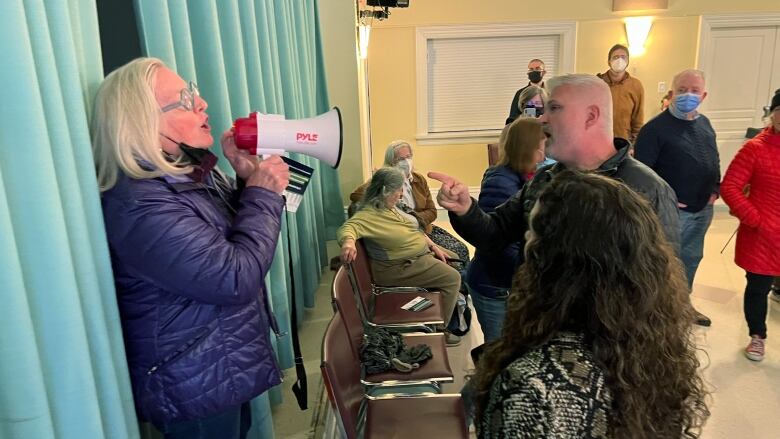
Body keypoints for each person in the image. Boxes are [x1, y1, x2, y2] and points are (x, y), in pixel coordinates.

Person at [91, 57, 290, 438]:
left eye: (194, 93)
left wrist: (247, 182)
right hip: (192, 380)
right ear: (143, 121)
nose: (203, 105)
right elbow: (233, 277)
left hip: (218, 361)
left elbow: (226, 238)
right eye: (185, 99)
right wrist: (263, 196)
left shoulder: (187, 176)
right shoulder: (139, 205)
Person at [471, 170, 709, 438]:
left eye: (532, 235)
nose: (527, 244)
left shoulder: (531, 383)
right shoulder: (650, 349)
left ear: (557, 260)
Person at [429, 74, 680, 286]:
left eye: (555, 108)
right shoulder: (545, 179)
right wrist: (465, 209)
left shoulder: (646, 189)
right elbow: (495, 234)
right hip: (536, 327)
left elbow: (660, 286)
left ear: (591, 116)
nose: (542, 118)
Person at [339, 167, 462, 346]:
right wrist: (349, 242)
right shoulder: (368, 215)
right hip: (398, 267)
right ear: (384, 191)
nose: (402, 194)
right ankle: (442, 328)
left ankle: (441, 311)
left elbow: (413, 228)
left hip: (418, 256)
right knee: (453, 278)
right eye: (398, 189)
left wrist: (433, 245)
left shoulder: (391, 207)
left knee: (455, 257)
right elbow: (348, 228)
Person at [634, 69, 719, 327]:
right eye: (682, 90)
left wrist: (714, 190)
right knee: (665, 263)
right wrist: (665, 201)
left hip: (702, 208)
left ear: (703, 95)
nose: (687, 95)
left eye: (694, 91)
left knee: (691, 259)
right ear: (671, 94)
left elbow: (713, 159)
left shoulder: (704, 124)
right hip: (671, 213)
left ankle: (683, 307)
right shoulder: (654, 130)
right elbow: (641, 174)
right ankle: (659, 315)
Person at [466, 118, 545, 343]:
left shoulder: (529, 176)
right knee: (498, 350)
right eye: (543, 144)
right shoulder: (500, 181)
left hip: (509, 284)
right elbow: (496, 242)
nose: (546, 151)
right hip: (495, 285)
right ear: (531, 147)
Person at [720, 90, 780, 362]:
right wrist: (755, 219)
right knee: (758, 288)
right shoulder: (755, 148)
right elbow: (730, 186)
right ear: (773, 114)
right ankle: (758, 336)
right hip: (763, 236)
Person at [350, 140, 470, 264]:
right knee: (451, 256)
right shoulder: (385, 181)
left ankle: (464, 282)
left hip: (425, 229)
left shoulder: (419, 180)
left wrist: (412, 219)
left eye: (408, 157)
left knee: (461, 249)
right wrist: (379, 180)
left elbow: (432, 211)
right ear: (391, 162)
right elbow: (356, 196)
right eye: (400, 159)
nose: (406, 162)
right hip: (404, 236)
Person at [597, 44, 644, 142]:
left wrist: (635, 143)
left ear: (627, 61)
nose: (619, 60)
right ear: (609, 62)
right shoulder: (597, 83)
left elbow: (638, 119)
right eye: (615, 57)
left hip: (624, 142)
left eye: (623, 57)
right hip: (599, 140)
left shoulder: (635, 85)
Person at [506, 59, 546, 125]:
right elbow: (512, 117)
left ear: (544, 72)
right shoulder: (520, 93)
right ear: (528, 73)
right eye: (531, 69)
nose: (534, 71)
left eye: (537, 68)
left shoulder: (551, 92)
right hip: (525, 130)